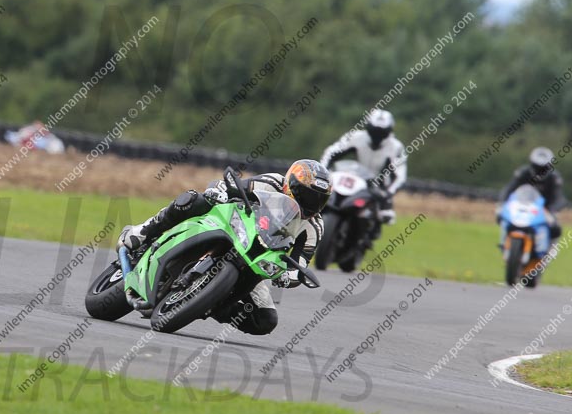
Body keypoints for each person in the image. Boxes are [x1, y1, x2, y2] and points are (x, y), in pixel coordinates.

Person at [117, 160, 331, 336]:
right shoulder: (272, 182)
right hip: (234, 228)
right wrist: (218, 192)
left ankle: (211, 304)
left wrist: (288, 277)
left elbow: (300, 263)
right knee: (193, 199)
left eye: (319, 200)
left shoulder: (314, 227)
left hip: (259, 260)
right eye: (306, 195)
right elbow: (234, 188)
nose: (311, 203)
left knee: (265, 320)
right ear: (290, 184)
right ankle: (143, 232)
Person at [320, 109, 407, 241]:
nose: (377, 136)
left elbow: (400, 176)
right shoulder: (355, 136)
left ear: (389, 131)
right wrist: (323, 170)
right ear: (368, 127)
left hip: (377, 187)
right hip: (353, 177)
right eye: (374, 130)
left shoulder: (396, 147)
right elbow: (331, 152)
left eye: (382, 132)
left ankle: (368, 234)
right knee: (322, 196)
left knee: (386, 215)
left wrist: (388, 193)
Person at [499, 147, 566, 241]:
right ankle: (504, 242)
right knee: (501, 216)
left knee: (555, 228)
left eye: (543, 168)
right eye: (537, 167)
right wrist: (503, 203)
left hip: (545, 210)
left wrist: (553, 210)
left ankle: (550, 252)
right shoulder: (523, 173)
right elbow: (509, 189)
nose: (540, 171)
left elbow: (559, 197)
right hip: (522, 205)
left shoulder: (554, 178)